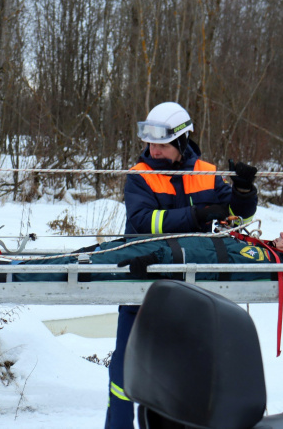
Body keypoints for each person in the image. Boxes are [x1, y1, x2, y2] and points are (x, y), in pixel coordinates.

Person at [108, 102, 260, 429]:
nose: (154, 150)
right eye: (150, 143)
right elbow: (143, 220)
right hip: (142, 285)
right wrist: (197, 215)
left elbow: (237, 217)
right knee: (124, 373)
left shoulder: (206, 172)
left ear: (181, 142)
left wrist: (244, 192)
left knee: (178, 378)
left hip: (190, 291)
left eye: (162, 144)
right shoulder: (140, 176)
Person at [0, 224, 283, 283]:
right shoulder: (264, 252)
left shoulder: (264, 260)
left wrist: (156, 262)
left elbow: (214, 266)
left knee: (76, 266)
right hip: (157, 247)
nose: (281, 234)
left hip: (158, 256)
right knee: (86, 253)